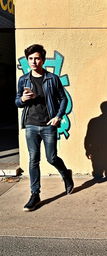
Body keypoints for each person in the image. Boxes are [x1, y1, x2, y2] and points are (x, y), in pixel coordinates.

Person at [15, 44, 74, 212]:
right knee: (33, 159)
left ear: (42, 59)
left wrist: (58, 117)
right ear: (27, 60)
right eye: (31, 59)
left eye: (37, 58)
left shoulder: (52, 78)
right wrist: (23, 99)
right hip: (31, 125)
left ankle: (66, 175)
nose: (34, 61)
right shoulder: (23, 80)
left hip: (48, 125)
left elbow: (63, 99)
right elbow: (17, 101)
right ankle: (35, 194)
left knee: (52, 158)